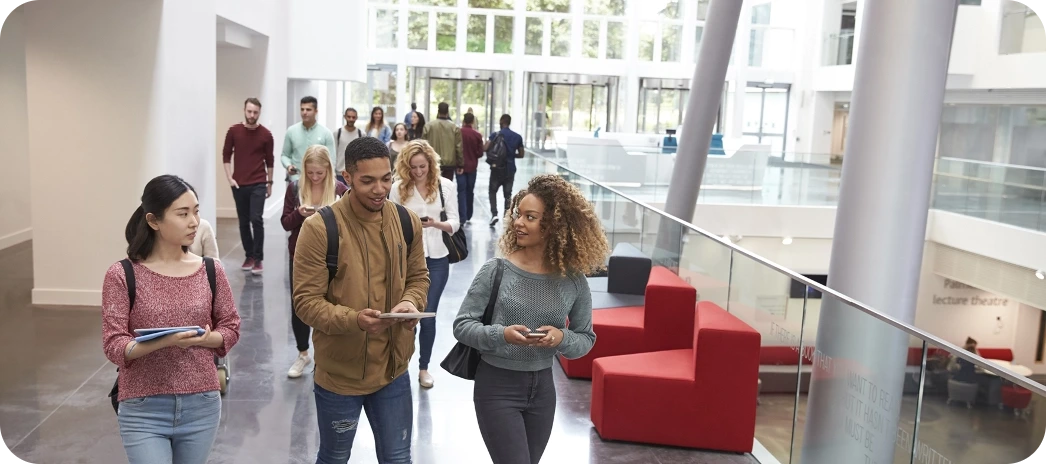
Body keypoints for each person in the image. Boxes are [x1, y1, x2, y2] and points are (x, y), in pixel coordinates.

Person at [453, 174, 608, 464]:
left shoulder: (573, 281)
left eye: (530, 217)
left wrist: (562, 338)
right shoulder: (496, 270)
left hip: (543, 389)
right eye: (518, 214)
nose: (518, 223)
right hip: (497, 385)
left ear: (554, 225)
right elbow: (462, 325)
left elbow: (586, 338)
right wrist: (501, 335)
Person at [293, 136, 430, 464]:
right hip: (340, 377)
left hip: (393, 371)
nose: (380, 189)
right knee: (335, 456)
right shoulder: (319, 229)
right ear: (347, 177)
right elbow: (306, 302)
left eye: (386, 179)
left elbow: (418, 278)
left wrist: (411, 303)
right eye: (368, 181)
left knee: (398, 457)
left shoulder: (406, 222)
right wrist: (354, 320)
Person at [102, 175, 241, 464]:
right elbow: (115, 346)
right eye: (183, 214)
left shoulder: (212, 270)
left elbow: (230, 328)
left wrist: (207, 339)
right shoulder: (121, 275)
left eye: (196, 211)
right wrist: (165, 341)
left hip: (202, 403)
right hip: (143, 407)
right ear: (153, 220)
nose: (194, 222)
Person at [389, 140, 460, 389]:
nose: (418, 172)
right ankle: (400, 366)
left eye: (423, 166)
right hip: (406, 258)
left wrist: (435, 224)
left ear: (431, 163)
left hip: (438, 258)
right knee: (406, 315)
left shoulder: (446, 186)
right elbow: (390, 222)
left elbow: (455, 223)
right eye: (413, 167)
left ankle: (423, 368)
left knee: (427, 316)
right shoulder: (398, 188)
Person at [281, 145, 348, 379]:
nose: (315, 177)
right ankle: (302, 353)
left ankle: (325, 355)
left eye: (319, 173)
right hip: (301, 255)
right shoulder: (294, 188)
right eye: (310, 173)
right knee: (300, 305)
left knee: (331, 303)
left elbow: (351, 223)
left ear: (328, 170)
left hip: (333, 254)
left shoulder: (340, 189)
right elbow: (285, 223)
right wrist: (300, 213)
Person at [223, 97, 274, 275]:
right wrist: (230, 178)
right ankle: (249, 255)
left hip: (259, 182)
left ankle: (258, 258)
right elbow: (226, 156)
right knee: (243, 221)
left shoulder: (266, 135)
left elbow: (270, 160)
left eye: (255, 112)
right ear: (244, 110)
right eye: (249, 111)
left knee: (256, 219)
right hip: (239, 184)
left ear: (259, 112)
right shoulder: (234, 131)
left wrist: (269, 183)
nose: (252, 115)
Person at [282, 96, 337, 183]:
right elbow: (284, 155)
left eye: (308, 110)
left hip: (318, 182)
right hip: (296, 180)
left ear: (316, 111)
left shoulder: (326, 133)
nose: (304, 112)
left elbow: (331, 160)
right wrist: (288, 166)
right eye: (302, 109)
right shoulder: (291, 131)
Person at [486, 114, 525, 227]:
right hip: (510, 169)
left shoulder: (495, 135)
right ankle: (506, 217)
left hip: (496, 169)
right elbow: (522, 154)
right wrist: (511, 155)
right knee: (507, 195)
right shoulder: (517, 137)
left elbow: (486, 148)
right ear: (509, 122)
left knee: (492, 191)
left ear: (501, 122)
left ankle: (494, 214)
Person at [422, 102, 463, 181]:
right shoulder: (454, 127)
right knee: (447, 188)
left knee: (432, 186)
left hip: (432, 161)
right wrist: (460, 164)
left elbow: (423, 145)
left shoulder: (428, 126)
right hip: (449, 164)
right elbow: (458, 147)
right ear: (447, 112)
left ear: (438, 111)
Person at [458, 112, 484, 225]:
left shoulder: (458, 133)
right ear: (473, 121)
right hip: (472, 166)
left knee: (461, 191)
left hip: (460, 167)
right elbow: (480, 153)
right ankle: (469, 214)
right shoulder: (477, 135)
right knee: (470, 191)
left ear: (463, 121)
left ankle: (462, 216)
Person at [334, 107, 363, 185]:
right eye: (349, 117)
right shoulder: (338, 133)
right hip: (339, 172)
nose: (351, 119)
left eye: (353, 117)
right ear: (345, 117)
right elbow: (334, 152)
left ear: (356, 118)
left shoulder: (361, 134)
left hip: (355, 172)